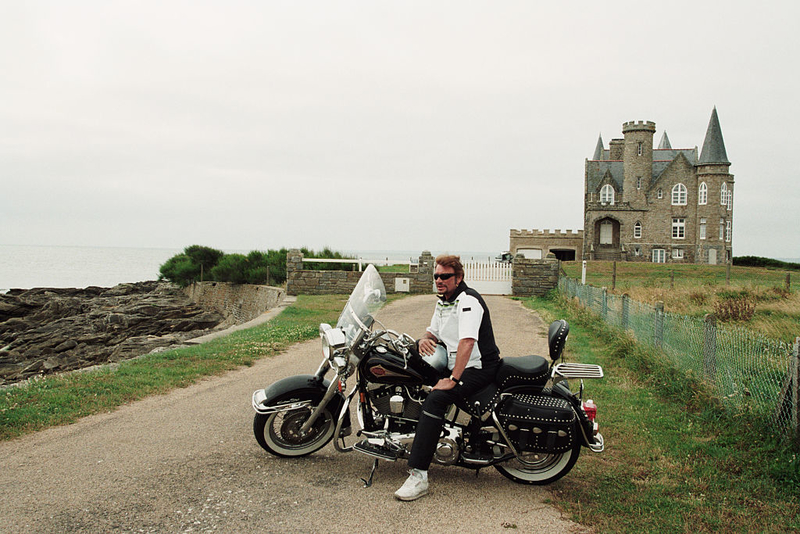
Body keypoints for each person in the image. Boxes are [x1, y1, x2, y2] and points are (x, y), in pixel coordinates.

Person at [394, 254, 501, 501]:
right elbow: (432, 331)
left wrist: (452, 379)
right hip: (460, 363)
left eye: (445, 276)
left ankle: (418, 477)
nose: (439, 280)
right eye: (436, 276)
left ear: (459, 277)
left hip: (479, 367)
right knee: (412, 365)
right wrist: (422, 340)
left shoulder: (468, 301)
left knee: (437, 398)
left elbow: (467, 342)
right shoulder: (444, 300)